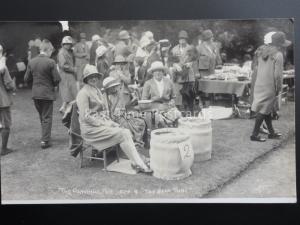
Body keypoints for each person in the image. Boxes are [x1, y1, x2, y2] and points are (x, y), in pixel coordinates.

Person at [76, 64, 152, 173]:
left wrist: (110, 122)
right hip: (90, 129)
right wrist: (105, 124)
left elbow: (102, 112)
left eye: (95, 76)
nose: (93, 78)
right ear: (86, 78)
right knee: (123, 133)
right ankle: (139, 163)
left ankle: (137, 162)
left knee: (125, 131)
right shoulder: (83, 93)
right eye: (90, 76)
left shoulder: (96, 90)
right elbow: (85, 117)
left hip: (100, 123)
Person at [250, 31, 291, 142]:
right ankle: (254, 134)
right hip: (270, 85)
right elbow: (278, 75)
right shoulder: (278, 55)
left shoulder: (260, 51)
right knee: (264, 110)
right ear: (280, 44)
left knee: (267, 108)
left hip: (259, 83)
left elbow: (255, 67)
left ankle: (271, 132)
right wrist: (278, 88)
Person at [24, 39, 61, 149]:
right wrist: (52, 85)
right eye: (51, 50)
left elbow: (26, 78)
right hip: (47, 93)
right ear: (48, 49)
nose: (51, 53)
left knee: (42, 116)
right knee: (47, 117)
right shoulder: (51, 62)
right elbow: (57, 79)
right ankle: (45, 141)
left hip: (36, 93)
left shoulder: (32, 61)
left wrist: (35, 84)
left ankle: (45, 136)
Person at [103, 77, 147, 149]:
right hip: (112, 118)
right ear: (107, 89)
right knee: (126, 125)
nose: (114, 89)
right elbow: (108, 113)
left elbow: (123, 107)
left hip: (122, 114)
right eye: (112, 87)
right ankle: (131, 144)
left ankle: (138, 141)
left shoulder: (117, 94)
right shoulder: (105, 98)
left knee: (140, 121)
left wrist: (129, 105)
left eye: (115, 86)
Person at [142, 61, 182, 128]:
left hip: (167, 107)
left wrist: (172, 101)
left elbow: (173, 96)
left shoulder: (169, 82)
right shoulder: (148, 83)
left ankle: (175, 133)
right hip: (153, 109)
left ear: (163, 72)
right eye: (155, 71)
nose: (158, 73)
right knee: (160, 121)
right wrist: (154, 107)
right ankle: (163, 134)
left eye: (160, 71)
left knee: (179, 115)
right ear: (152, 73)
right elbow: (144, 100)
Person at [0, 45, 16, 156]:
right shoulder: (2, 67)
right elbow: (9, 84)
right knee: (6, 124)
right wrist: (13, 87)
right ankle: (4, 149)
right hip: (2, 99)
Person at [57, 36, 78, 113]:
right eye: (67, 44)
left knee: (69, 92)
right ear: (63, 44)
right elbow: (63, 65)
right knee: (70, 92)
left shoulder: (68, 51)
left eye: (70, 44)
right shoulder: (62, 53)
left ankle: (64, 108)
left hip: (69, 74)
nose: (69, 45)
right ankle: (67, 110)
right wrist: (73, 69)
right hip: (66, 74)